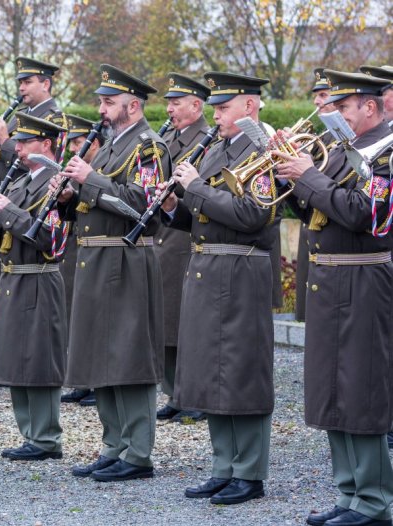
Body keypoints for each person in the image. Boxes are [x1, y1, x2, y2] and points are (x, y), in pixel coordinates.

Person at [275, 70, 393, 526]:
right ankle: (348, 493)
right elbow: (311, 211)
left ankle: (374, 501)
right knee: (332, 390)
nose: (334, 115)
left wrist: (309, 177)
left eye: (342, 107)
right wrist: (292, 173)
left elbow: (366, 215)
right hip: (329, 280)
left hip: (364, 280)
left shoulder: (385, 153)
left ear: (369, 107)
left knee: (361, 390)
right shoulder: (344, 154)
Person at [160, 72, 277, 505]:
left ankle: (249, 472)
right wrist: (174, 204)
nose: (216, 116)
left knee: (241, 370)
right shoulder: (217, 149)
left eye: (223, 108)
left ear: (249, 106)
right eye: (214, 108)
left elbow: (252, 215)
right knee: (211, 370)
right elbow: (200, 214)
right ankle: (223, 465)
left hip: (241, 270)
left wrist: (193, 189)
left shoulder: (264, 150)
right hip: (208, 269)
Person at [54, 64, 170, 482]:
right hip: (95, 259)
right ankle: (113, 444)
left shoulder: (149, 147)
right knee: (99, 355)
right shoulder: (107, 144)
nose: (101, 109)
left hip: (126, 258)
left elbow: (144, 207)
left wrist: (91, 179)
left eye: (109, 102)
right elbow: (93, 200)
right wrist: (69, 194)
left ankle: (138, 453)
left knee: (129, 356)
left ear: (133, 105)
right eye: (101, 101)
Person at [0, 113, 69, 461]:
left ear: (46, 144)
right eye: (17, 142)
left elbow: (51, 239)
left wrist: (8, 213)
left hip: (39, 275)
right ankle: (29, 433)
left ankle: (46, 437)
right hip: (14, 275)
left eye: (26, 142)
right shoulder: (19, 182)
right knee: (16, 356)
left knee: (39, 358)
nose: (17, 148)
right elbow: (10, 236)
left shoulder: (55, 182)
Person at [0, 57, 64, 304]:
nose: (21, 88)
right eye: (20, 82)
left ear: (45, 84)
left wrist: (5, 141)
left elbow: (50, 163)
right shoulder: (20, 116)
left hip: (33, 204)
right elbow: (7, 167)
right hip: (10, 200)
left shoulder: (56, 119)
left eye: (27, 82)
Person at [155, 73, 212, 424]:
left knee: (187, 324)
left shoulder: (205, 140)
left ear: (197, 105)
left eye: (176, 103)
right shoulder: (167, 139)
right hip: (164, 233)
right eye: (168, 103)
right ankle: (174, 391)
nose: (170, 109)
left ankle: (195, 394)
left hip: (185, 238)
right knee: (166, 322)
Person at [58, 114, 104, 407]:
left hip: (97, 245)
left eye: (80, 142)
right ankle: (82, 380)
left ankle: (97, 382)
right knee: (76, 315)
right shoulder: (80, 169)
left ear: (95, 142)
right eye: (73, 142)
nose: (75, 148)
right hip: (77, 243)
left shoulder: (100, 168)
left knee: (96, 318)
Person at [294, 68, 337, 322]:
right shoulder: (322, 136)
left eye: (323, 95)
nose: (316, 102)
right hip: (314, 236)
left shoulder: (343, 139)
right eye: (316, 96)